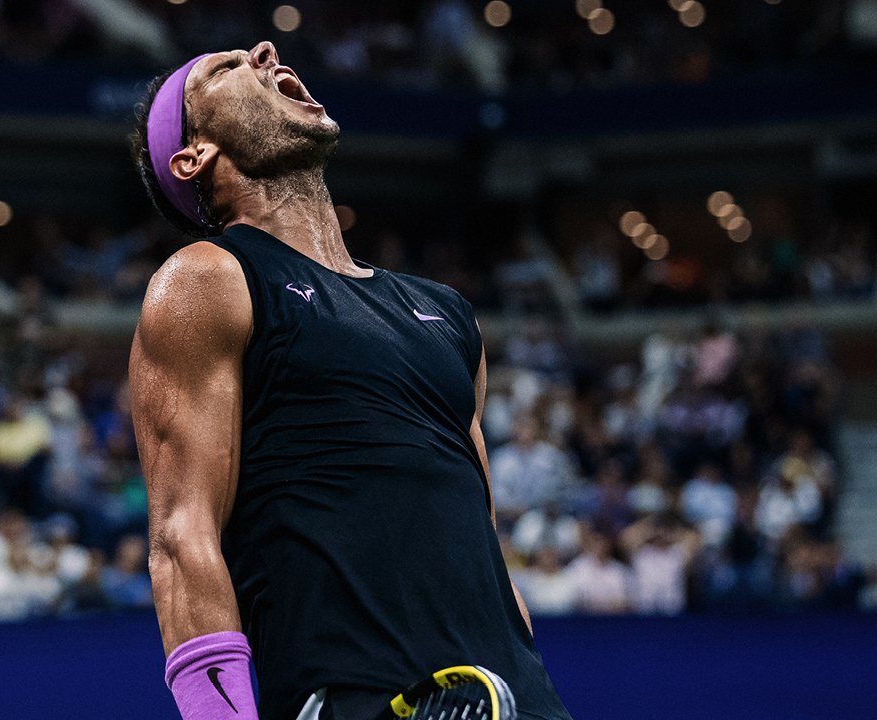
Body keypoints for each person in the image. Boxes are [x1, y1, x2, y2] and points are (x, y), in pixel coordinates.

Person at [129, 42, 571, 720]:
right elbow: (182, 539)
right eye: (225, 68)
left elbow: (482, 543)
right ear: (194, 156)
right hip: (350, 696)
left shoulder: (449, 313)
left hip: (510, 697)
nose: (265, 51)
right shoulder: (206, 280)